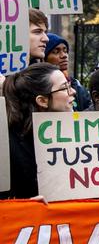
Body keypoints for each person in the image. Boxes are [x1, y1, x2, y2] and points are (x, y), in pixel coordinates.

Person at [2, 63, 74, 199]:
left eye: (69, 85)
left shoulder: (79, 134)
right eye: (65, 88)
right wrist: (24, 206)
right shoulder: (8, 145)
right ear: (42, 101)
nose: (73, 92)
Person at [41, 32, 91, 110]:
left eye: (65, 50)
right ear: (44, 58)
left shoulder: (76, 85)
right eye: (56, 52)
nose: (64, 55)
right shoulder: (39, 85)